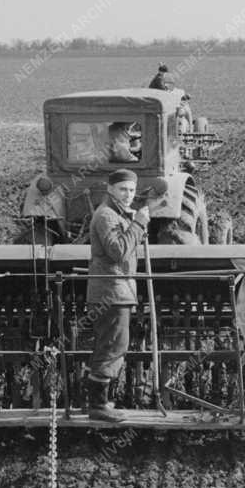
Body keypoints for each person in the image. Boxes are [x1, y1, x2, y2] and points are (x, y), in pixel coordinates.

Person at [85, 169, 151, 422]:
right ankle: (98, 405)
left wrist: (135, 225)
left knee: (113, 343)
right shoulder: (106, 215)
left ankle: (99, 401)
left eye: (132, 190)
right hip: (111, 292)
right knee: (113, 344)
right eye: (123, 189)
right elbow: (118, 251)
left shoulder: (117, 214)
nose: (128, 194)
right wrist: (138, 225)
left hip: (119, 290)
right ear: (110, 189)